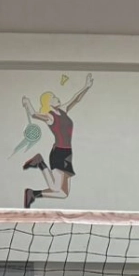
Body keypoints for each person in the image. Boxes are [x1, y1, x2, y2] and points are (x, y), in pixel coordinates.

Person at [22, 72, 94, 207]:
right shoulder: (50, 117)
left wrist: (86, 86)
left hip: (68, 153)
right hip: (59, 153)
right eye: (54, 98)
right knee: (56, 188)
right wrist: (27, 102)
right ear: (48, 103)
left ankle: (33, 193)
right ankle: (40, 163)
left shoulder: (62, 110)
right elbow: (34, 114)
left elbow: (76, 99)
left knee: (63, 194)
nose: (57, 98)